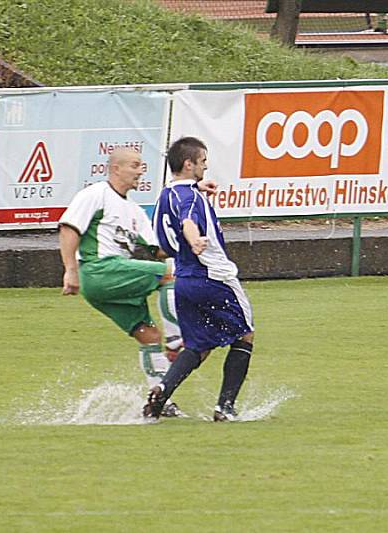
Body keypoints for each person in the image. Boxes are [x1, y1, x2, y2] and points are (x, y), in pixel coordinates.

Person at [59, 147, 185, 416]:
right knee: (167, 274)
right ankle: (176, 340)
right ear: (115, 168)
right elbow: (69, 227)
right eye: (136, 165)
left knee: (149, 335)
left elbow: (154, 251)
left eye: (142, 166)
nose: (141, 171)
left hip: (111, 281)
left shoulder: (136, 212)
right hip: (99, 270)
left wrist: (186, 238)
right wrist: (70, 269)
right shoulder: (96, 194)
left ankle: (161, 403)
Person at [144, 136, 254, 422]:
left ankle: (162, 390)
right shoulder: (191, 198)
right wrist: (194, 241)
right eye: (202, 161)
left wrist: (197, 187)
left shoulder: (166, 195)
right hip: (213, 276)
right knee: (245, 334)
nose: (205, 167)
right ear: (188, 163)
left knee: (198, 345)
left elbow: (165, 239)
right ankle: (225, 408)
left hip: (183, 280)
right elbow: (188, 220)